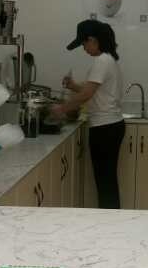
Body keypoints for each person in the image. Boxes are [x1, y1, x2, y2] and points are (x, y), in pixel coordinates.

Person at [52, 20, 125, 209]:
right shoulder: (108, 59)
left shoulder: (102, 61)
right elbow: (92, 90)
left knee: (105, 181)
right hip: (111, 126)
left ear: (93, 40)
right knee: (107, 180)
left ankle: (109, 220)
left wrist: (61, 109)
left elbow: (87, 95)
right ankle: (112, 218)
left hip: (104, 128)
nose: (84, 48)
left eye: (84, 44)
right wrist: (72, 86)